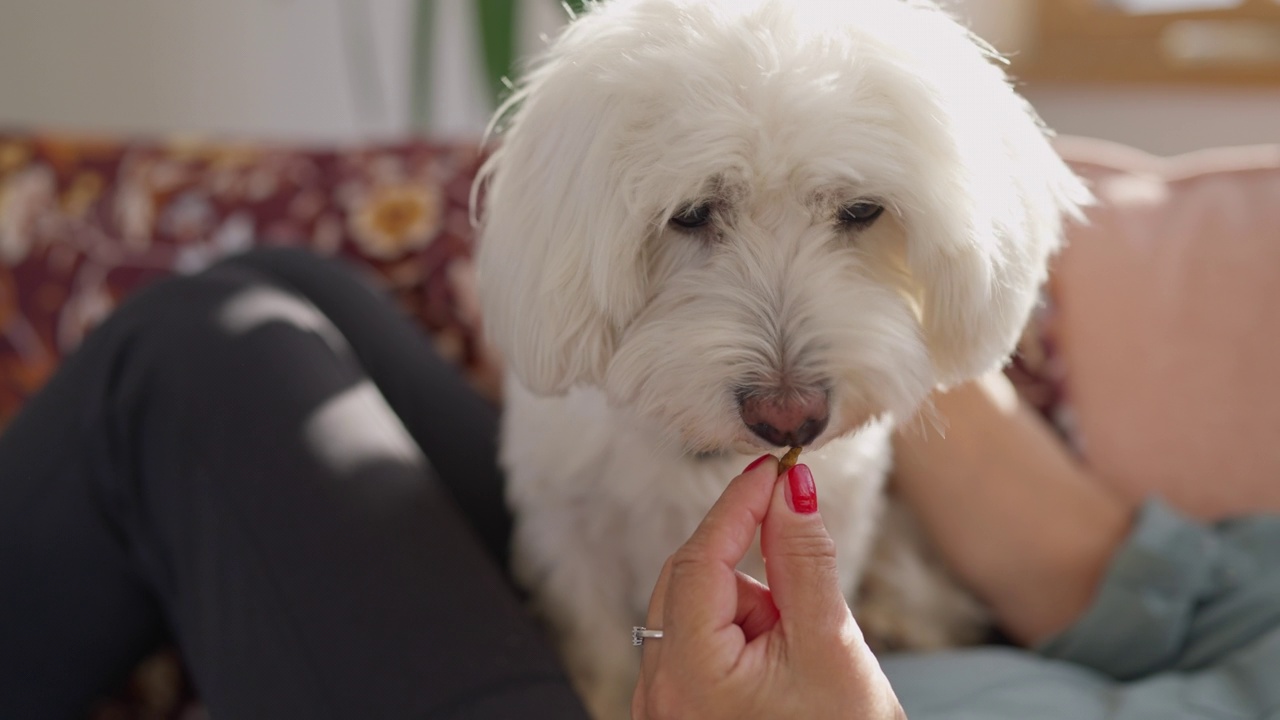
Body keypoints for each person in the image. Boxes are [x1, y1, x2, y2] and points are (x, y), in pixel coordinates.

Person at [2, 247, 1278, 719]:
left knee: (190, 365)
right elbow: (1133, 587)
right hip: (630, 650)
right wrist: (874, 285)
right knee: (282, 294)